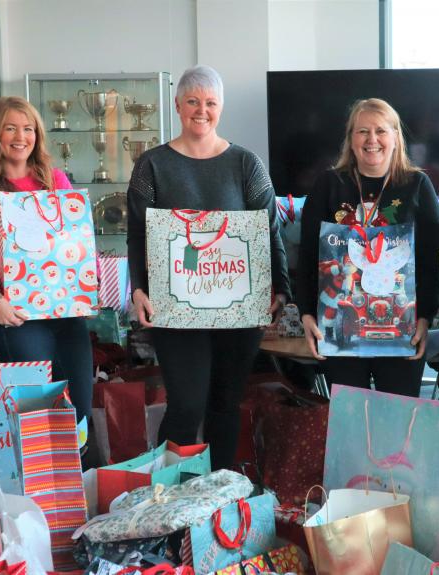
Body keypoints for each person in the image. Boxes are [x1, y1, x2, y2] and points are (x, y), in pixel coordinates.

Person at [126, 65, 290, 470]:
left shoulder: (245, 164)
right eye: (193, 102)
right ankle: (166, 500)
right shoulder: (152, 165)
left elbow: (269, 231)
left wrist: (280, 289)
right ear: (178, 105)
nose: (202, 110)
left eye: (211, 103)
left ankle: (217, 499)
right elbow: (137, 235)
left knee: (225, 404)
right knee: (186, 404)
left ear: (221, 107)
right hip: (175, 310)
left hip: (239, 311)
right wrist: (139, 289)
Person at [0, 96, 93, 425]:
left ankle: (82, 475)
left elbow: (75, 244)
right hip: (16, 316)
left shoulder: (55, 180)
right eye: (11, 129)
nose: (21, 137)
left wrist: (89, 283)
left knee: (80, 411)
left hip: (66, 311)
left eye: (28, 129)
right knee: (39, 415)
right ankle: (40, 477)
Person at [296, 98, 439, 397]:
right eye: (362, 131)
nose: (372, 139)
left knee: (396, 424)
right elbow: (308, 253)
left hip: (403, 330)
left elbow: (431, 260)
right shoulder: (329, 185)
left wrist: (426, 316)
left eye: (381, 131)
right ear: (351, 139)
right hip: (341, 325)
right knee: (350, 425)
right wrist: (306, 313)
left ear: (395, 137)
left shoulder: (417, 185)